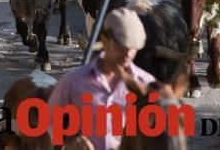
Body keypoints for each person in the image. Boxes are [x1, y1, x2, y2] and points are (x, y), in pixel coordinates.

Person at [48, 8, 155, 150]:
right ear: (105, 40)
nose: (128, 54)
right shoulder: (73, 82)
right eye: (121, 46)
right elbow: (50, 119)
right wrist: (70, 141)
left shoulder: (147, 85)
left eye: (133, 48)